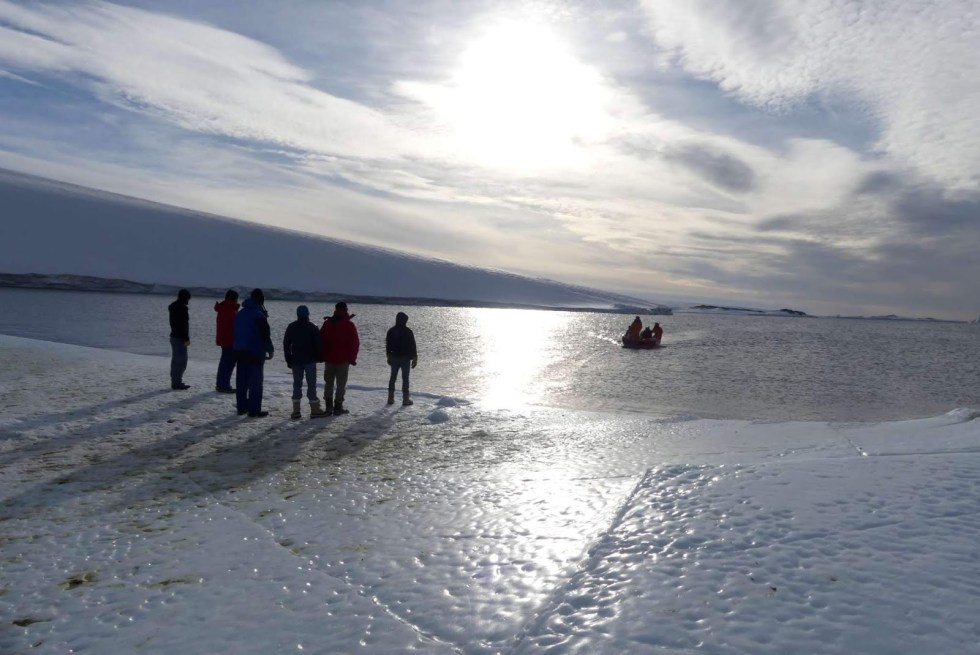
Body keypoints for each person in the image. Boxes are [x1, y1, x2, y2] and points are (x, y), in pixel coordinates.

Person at [233, 289, 275, 418]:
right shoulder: (258, 315)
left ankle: (241, 407)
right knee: (255, 382)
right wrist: (270, 350)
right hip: (255, 351)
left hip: (239, 351)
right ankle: (254, 409)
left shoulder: (240, 314)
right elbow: (265, 334)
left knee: (241, 381)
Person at [283, 305, 328, 419]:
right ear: (307, 314)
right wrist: (319, 357)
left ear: (297, 314)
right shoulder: (313, 327)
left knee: (297, 384)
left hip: (296, 360)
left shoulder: (291, 327)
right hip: (310, 360)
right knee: (311, 384)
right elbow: (318, 345)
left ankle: (296, 410)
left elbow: (286, 344)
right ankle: (314, 409)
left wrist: (288, 359)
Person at [319, 301, 360, 415]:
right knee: (341, 384)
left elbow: (320, 340)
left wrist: (321, 356)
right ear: (346, 310)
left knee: (328, 383)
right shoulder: (349, 325)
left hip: (329, 359)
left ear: (335, 309)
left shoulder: (328, 323)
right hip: (343, 359)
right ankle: (338, 406)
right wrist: (352, 359)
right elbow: (354, 343)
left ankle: (328, 407)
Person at [385, 311, 418, 406]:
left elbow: (388, 345)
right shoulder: (408, 331)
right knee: (405, 378)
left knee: (393, 377)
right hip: (405, 358)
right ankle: (405, 399)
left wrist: (388, 355)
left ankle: (390, 398)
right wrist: (415, 357)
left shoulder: (391, 331)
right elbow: (413, 345)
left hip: (394, 357)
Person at [214, 289, 239, 393]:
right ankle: (223, 385)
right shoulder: (230, 309)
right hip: (230, 340)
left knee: (224, 362)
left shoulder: (222, 308)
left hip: (223, 339)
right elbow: (234, 327)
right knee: (228, 363)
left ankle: (221, 384)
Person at [168, 289, 191, 390]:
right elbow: (183, 326)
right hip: (180, 338)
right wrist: (186, 338)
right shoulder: (182, 309)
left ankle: (175, 381)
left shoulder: (173, 307)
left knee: (175, 360)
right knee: (181, 361)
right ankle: (177, 382)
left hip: (174, 337)